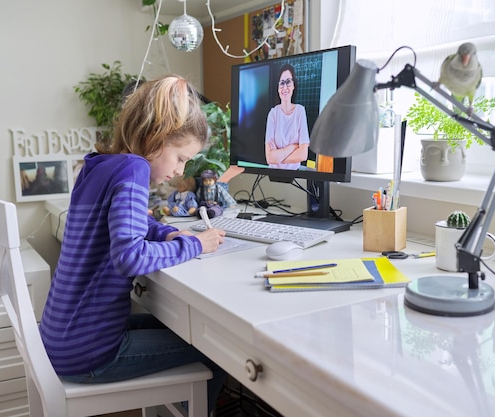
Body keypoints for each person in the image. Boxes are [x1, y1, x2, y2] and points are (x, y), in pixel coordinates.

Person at [38, 75, 227, 415]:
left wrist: (166, 234)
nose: (180, 170)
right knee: (219, 346)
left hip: (62, 337)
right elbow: (130, 257)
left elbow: (130, 225)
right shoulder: (134, 169)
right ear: (156, 136)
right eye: (181, 157)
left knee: (187, 329)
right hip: (88, 352)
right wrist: (196, 244)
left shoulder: (96, 165)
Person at [265, 63, 310, 169]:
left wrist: (278, 158)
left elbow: (303, 155)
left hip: (295, 175)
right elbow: (269, 158)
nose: (285, 87)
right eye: (282, 83)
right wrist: (293, 147)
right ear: (278, 88)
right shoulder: (273, 113)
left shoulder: (300, 111)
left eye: (288, 82)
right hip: (272, 176)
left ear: (294, 85)